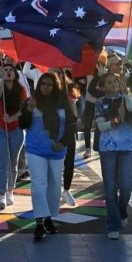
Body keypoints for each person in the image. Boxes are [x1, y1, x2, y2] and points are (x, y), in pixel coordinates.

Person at [19, 72, 75, 241]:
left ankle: (49, 217)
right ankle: (39, 222)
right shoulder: (30, 101)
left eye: (50, 84)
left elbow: (71, 125)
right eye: (43, 84)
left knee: (55, 185)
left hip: (57, 150)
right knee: (38, 184)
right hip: (35, 149)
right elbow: (22, 124)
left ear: (55, 86)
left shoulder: (64, 102)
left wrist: (63, 142)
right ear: (38, 84)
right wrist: (28, 110)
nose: (46, 87)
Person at [94, 73, 132, 240]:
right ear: (103, 86)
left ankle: (123, 209)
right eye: (109, 83)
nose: (113, 84)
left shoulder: (126, 97)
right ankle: (113, 223)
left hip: (126, 146)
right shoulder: (100, 102)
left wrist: (126, 94)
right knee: (110, 188)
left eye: (115, 81)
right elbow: (101, 126)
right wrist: (113, 122)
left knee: (126, 185)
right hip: (108, 148)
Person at [0, 63, 28, 209]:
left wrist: (12, 118)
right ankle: (2, 194)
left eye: (10, 70)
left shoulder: (21, 90)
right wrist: (2, 79)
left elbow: (24, 109)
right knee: (2, 162)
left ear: (15, 73)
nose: (7, 72)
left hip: (16, 129)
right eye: (5, 70)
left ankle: (10, 191)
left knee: (13, 162)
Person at [52, 68, 79, 207]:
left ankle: (66, 190)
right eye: (55, 74)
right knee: (54, 165)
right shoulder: (47, 92)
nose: (58, 77)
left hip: (68, 134)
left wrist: (70, 104)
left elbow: (74, 118)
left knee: (69, 163)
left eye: (60, 74)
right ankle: (54, 191)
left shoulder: (70, 92)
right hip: (53, 135)